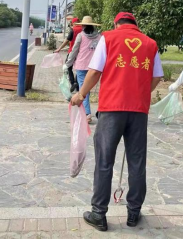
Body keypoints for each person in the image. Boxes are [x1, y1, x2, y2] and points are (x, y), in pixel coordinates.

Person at [71, 12, 163, 232]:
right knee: (137, 162)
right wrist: (141, 94)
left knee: (104, 161)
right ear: (135, 24)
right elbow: (157, 76)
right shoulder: (150, 43)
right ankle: (133, 213)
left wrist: (81, 95)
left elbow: (94, 72)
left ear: (116, 24)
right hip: (138, 111)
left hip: (112, 109)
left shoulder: (108, 38)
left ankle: (99, 214)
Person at [65, 16, 102, 123]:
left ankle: (87, 114)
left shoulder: (80, 36)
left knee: (83, 90)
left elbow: (74, 51)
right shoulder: (100, 37)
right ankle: (97, 112)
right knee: (97, 89)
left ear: (83, 26)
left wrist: (68, 64)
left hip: (81, 66)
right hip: (95, 67)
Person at [55, 17, 82, 92]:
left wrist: (59, 48)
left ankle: (73, 83)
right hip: (81, 53)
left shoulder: (73, 30)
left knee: (68, 67)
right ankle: (77, 84)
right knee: (79, 68)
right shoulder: (83, 30)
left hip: (72, 52)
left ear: (73, 23)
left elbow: (66, 41)